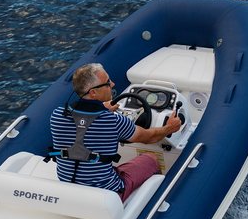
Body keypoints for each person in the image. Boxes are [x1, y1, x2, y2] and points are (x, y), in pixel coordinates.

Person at [50, 62, 181, 202]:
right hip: (107, 193)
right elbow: (149, 137)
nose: (112, 84)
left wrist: (102, 110)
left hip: (68, 187)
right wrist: (169, 128)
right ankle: (159, 200)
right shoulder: (113, 121)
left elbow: (83, 127)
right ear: (93, 93)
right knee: (151, 158)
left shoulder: (57, 115)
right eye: (107, 83)